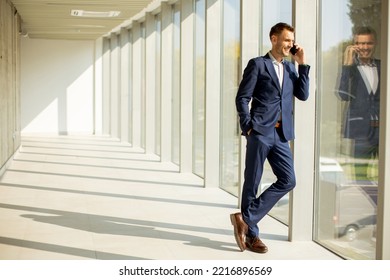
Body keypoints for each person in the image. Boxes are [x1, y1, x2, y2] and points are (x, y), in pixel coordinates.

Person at [230, 22, 310, 254]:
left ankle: (244, 218)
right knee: (252, 183)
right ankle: (252, 236)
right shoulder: (258, 64)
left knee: (288, 179)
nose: (290, 44)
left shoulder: (291, 69)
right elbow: (242, 98)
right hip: (260, 132)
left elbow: (303, 95)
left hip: (281, 134)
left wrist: (301, 63)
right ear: (273, 39)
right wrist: (248, 127)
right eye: (286, 40)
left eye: (292, 41)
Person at [337, 26, 380, 181]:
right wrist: (347, 65)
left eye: (369, 43)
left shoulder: (383, 66)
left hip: (383, 131)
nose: (364, 47)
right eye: (361, 43)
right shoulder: (350, 69)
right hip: (361, 133)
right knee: (360, 178)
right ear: (355, 45)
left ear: (375, 44)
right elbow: (342, 95)